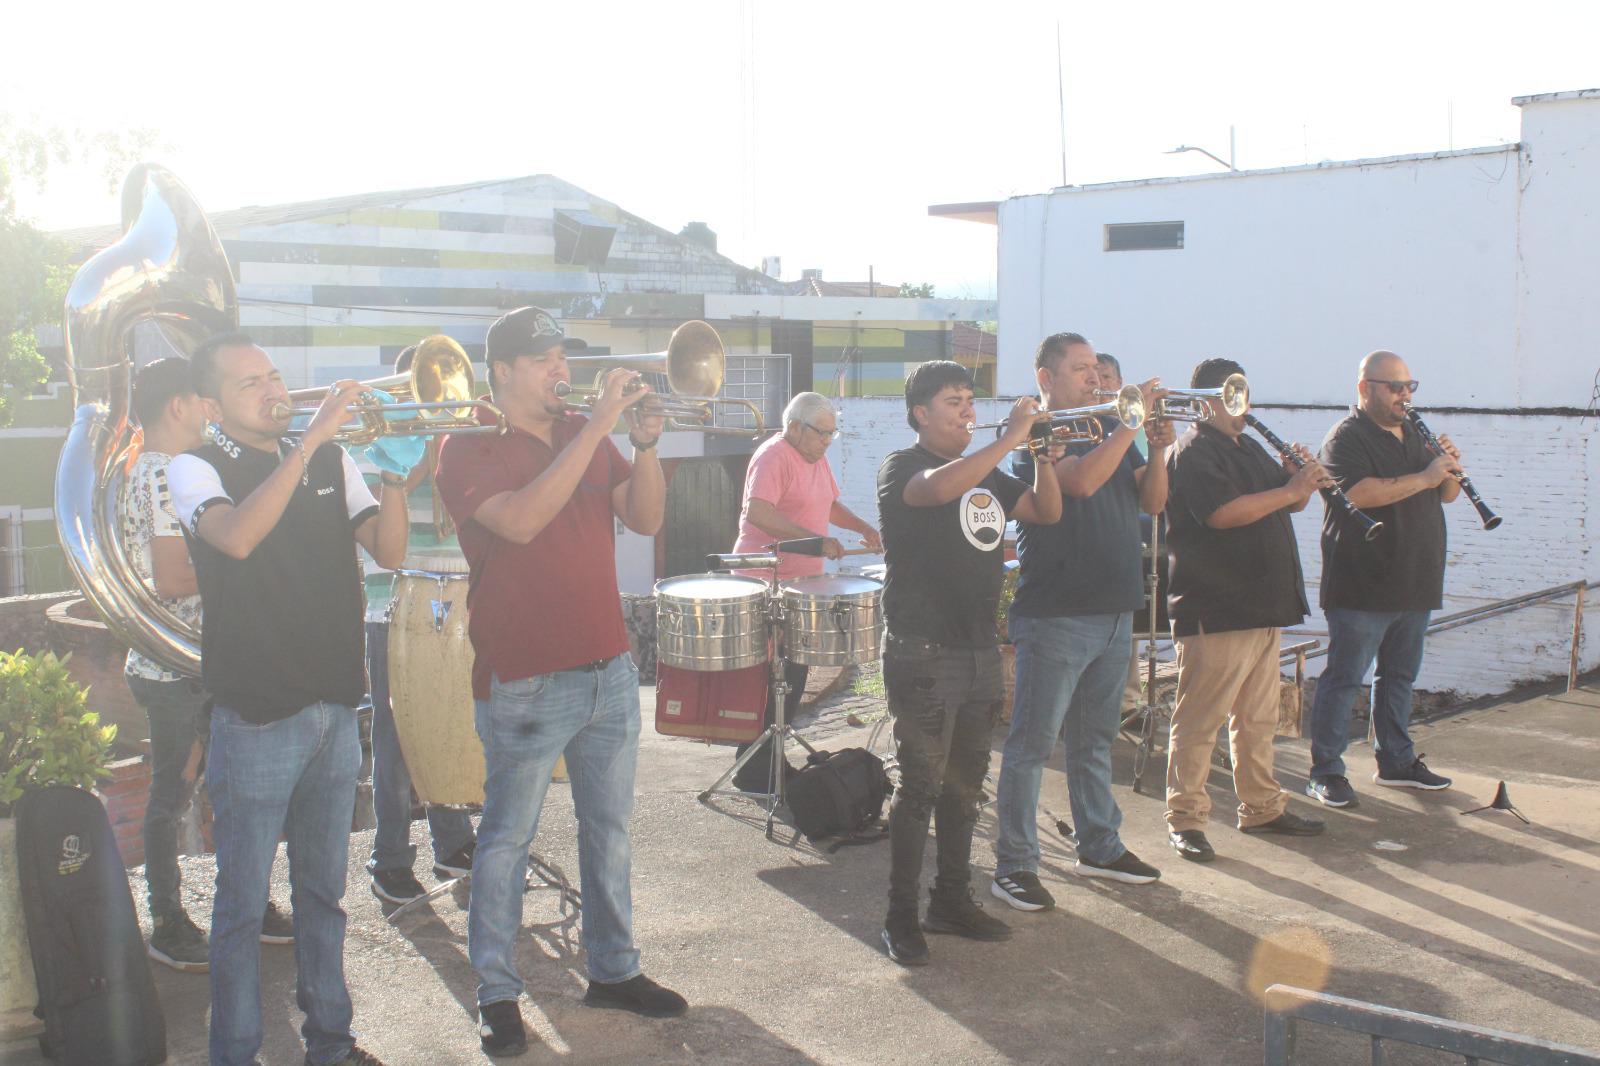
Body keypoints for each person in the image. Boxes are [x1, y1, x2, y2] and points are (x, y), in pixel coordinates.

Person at [434, 307, 686, 1058]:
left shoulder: (586, 432)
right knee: (506, 843)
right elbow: (518, 521)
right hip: (527, 677)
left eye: (562, 358)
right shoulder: (465, 445)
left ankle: (614, 969)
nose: (560, 371)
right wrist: (597, 425)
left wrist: (641, 447)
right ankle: (498, 993)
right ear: (503, 369)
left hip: (608, 665)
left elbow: (643, 519)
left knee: (608, 833)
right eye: (543, 359)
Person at [169, 332, 408, 1066]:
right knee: (240, 908)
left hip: (335, 710)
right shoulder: (193, 466)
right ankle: (234, 1052)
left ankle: (330, 1041)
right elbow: (236, 538)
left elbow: (391, 552)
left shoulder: (334, 461)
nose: (272, 390)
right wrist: (309, 447)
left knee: (323, 897)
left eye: (274, 376)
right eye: (250, 384)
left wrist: (397, 474)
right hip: (256, 717)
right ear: (212, 405)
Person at [877, 360, 1062, 967]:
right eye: (953, 402)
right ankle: (900, 916)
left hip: (981, 650)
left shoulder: (985, 474)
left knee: (964, 787)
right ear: (920, 414)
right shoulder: (901, 467)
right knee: (921, 788)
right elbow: (935, 490)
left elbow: (1044, 511)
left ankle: (950, 900)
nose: (966, 410)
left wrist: (1043, 456)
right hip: (924, 652)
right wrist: (1008, 438)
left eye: (968, 399)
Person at [122, 358, 297, 974]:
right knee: (175, 796)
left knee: (225, 788)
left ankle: (244, 905)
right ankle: (167, 919)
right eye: (205, 401)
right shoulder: (168, 474)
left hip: (194, 655)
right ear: (179, 406)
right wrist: (252, 561)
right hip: (176, 664)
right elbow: (173, 577)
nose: (213, 412)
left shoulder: (148, 469)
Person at [990, 333, 1175, 913]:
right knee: (1031, 746)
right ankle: (1015, 865)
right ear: (1046, 377)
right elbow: (1080, 484)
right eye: (1080, 369)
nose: (1095, 378)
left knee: (1095, 741)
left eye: (1097, 368)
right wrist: (1130, 423)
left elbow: (1151, 503)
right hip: (1057, 615)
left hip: (1116, 609)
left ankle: (1099, 845)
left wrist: (1159, 448)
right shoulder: (1034, 431)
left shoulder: (1111, 428)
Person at [1162, 357, 1327, 862]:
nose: (1243, 406)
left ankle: (1261, 808)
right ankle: (1185, 818)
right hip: (1217, 607)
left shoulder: (1247, 444)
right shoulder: (1192, 450)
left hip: (1260, 604)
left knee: (1257, 719)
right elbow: (1222, 514)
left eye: (1245, 394)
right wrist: (1289, 488)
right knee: (1200, 720)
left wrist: (1298, 481)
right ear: (1205, 400)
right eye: (1233, 395)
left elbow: (1286, 503)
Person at [1305, 350, 1461, 808]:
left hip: (1415, 578)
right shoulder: (1344, 438)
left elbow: (1448, 493)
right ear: (1365, 388)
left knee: (1399, 677)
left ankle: (1395, 762)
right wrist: (1427, 474)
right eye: (1395, 387)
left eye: (1410, 386)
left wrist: (1450, 466)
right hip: (1363, 583)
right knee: (1345, 678)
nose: (1405, 395)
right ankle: (1326, 772)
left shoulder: (1415, 430)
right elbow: (1357, 494)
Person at [725, 391, 882, 792]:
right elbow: (757, 512)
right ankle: (755, 767)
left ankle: (769, 763)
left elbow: (829, 505)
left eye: (832, 434)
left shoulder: (816, 458)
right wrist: (814, 539)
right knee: (773, 678)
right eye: (821, 433)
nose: (827, 441)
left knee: (794, 674)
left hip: (802, 584)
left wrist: (862, 527)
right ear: (795, 427)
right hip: (767, 581)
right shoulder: (774, 455)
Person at [365, 343, 476, 905]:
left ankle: (452, 843)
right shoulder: (383, 438)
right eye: (424, 392)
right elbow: (375, 506)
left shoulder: (462, 441)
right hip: (393, 601)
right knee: (397, 737)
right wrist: (419, 452)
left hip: (457, 597)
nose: (435, 405)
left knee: (448, 725)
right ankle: (389, 857)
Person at [1096, 351, 1151, 714]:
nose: (1098, 383)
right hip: (1089, 542)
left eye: (1105, 377)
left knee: (1126, 628)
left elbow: (1147, 492)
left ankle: (1128, 701)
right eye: (1089, 375)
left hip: (1128, 535)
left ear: (1119, 384)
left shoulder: (1135, 429)